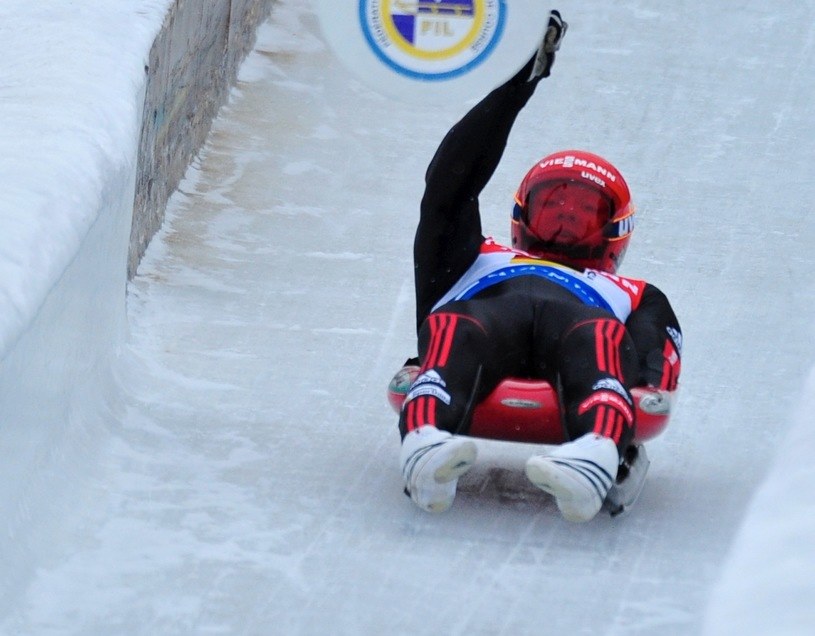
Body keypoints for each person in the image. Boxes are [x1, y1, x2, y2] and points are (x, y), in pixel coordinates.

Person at [397, 10, 682, 523]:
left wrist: (644, 390)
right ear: (523, 214)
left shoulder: (634, 293)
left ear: (613, 232)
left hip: (580, 333)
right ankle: (426, 449)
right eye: (554, 207)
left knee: (596, 334)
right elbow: (448, 184)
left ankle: (593, 458)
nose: (567, 221)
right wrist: (520, 81)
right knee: (454, 323)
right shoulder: (472, 257)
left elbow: (653, 366)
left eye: (584, 214)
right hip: (486, 325)